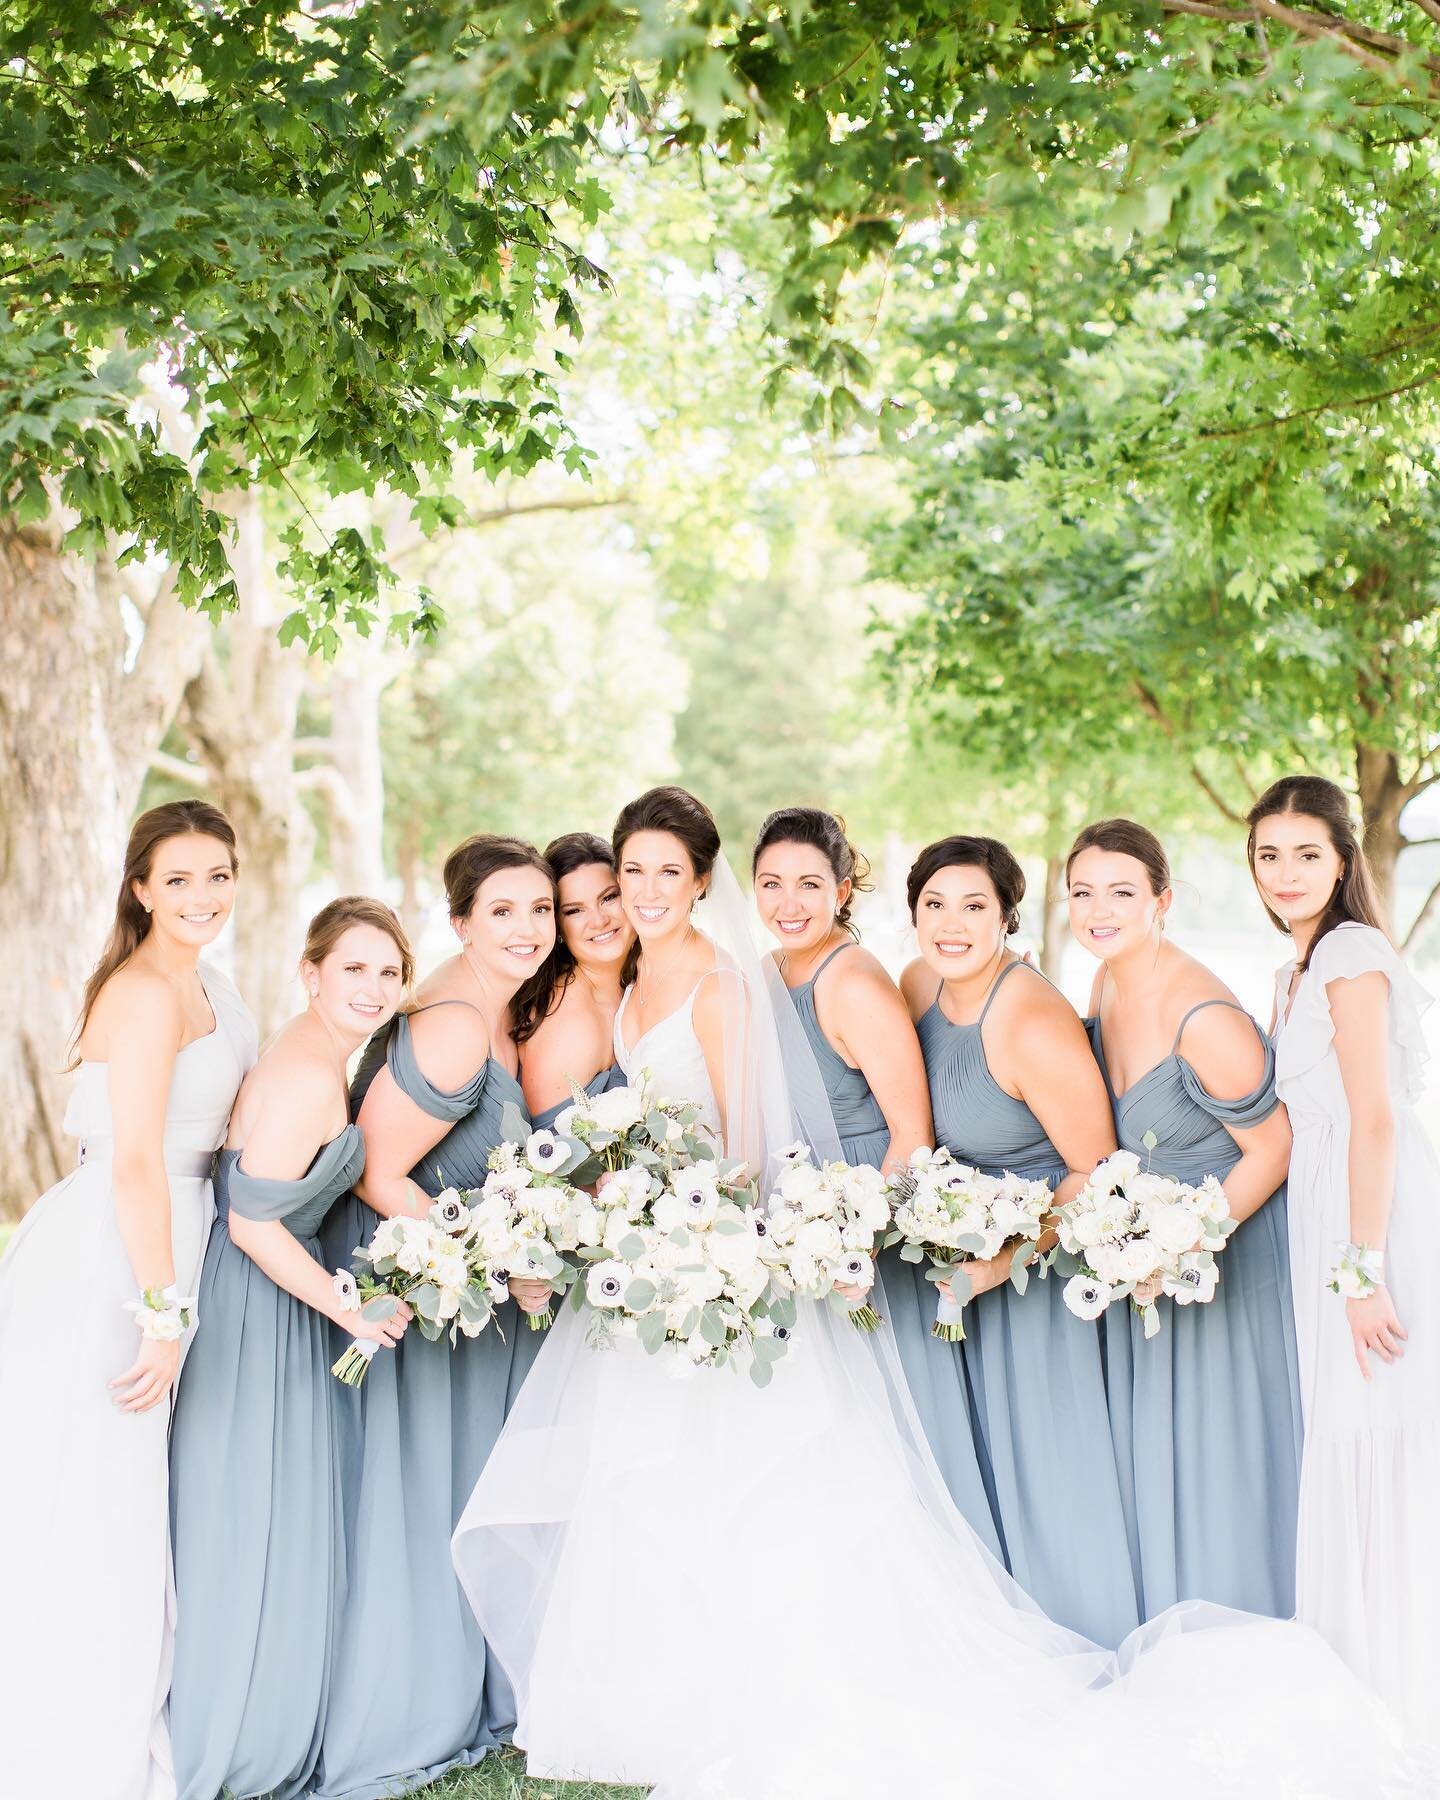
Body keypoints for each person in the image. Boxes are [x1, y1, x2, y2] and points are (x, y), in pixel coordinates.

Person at [451, 788, 1423, 1800]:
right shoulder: (719, 983)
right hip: (760, 1255)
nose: (650, 893)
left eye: (671, 872)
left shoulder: (806, 987)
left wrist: (1349, 1269)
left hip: (1028, 1259)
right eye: (634, 872)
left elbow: (1346, 1125)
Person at [0, 801, 257, 1800]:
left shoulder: (213, 984)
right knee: (109, 1487)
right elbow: (139, 1162)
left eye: (219, 875)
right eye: (180, 879)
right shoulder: (146, 994)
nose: (203, 897)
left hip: (182, 1234)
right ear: (140, 888)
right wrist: (162, 1311)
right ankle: (77, 1730)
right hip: (121, 1253)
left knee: (154, 1491)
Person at [315, 836, 557, 1800]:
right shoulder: (456, 1024)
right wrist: (503, 1258)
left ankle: (466, 1680)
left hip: (449, 1292)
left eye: (539, 909)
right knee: (413, 1502)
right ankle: (406, 1702)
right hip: (407, 1290)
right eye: (502, 910)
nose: (527, 928)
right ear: (458, 922)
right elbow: (377, 1173)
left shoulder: (495, 1016)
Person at [167, 898, 413, 1800]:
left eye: (390, 972)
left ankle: (260, 1711)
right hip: (262, 1304)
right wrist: (348, 1310)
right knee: (252, 1513)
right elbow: (252, 1225)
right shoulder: (309, 1076)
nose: (375, 987)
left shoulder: (316, 1056)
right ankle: (237, 1735)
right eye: (354, 968)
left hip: (277, 1299)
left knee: (263, 1508)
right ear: (311, 973)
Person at [895, 834, 1137, 1647]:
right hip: (952, 1275)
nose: (951, 924)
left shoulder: (1030, 1019)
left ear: (1008, 917)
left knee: (1046, 1479)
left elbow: (1097, 1171)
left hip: (1032, 1284)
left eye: (974, 907)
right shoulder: (919, 983)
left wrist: (1004, 1258)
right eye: (934, 905)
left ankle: (1079, 1646)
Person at [1069, 817, 1301, 1621]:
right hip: (1150, 1259)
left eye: (1122, 893)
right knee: (1163, 1450)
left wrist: (1185, 1245)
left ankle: (1249, 1620)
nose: (1100, 909)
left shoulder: (1203, 1017)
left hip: (1226, 1257)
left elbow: (1273, 1151)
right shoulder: (1104, 983)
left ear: (1161, 900)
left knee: (1223, 1452)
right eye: (1083, 892)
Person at [1249, 775, 1439, 1742]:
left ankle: (1392, 1691)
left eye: (1306, 854)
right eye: (1269, 854)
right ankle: (1353, 1672)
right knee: (1344, 1425)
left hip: (1370, 1219)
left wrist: (1363, 1273)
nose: (1286, 873)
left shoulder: (1353, 955)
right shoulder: (1296, 967)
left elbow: (1373, 1119)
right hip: (1325, 1210)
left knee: (1375, 1427)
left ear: (1343, 859)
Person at [516, 831, 632, 1129]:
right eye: (574, 910)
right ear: (557, 927)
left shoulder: (639, 979)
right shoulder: (571, 1024)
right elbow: (547, 1156)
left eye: (608, 898)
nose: (598, 920)